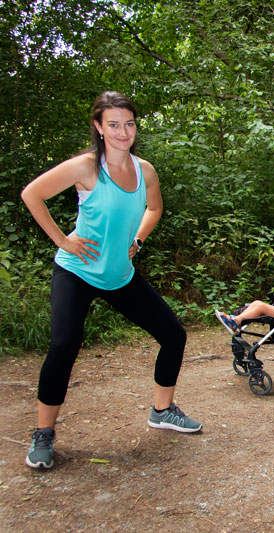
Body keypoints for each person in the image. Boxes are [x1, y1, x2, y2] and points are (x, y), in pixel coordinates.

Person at [20, 91, 201, 470]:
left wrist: (138, 239)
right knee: (65, 344)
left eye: (129, 123)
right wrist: (63, 240)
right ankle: (44, 434)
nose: (123, 131)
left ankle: (162, 410)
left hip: (119, 275)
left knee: (174, 335)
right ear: (100, 128)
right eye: (114, 124)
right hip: (77, 271)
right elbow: (32, 194)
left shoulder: (144, 170)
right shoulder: (86, 167)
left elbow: (154, 207)